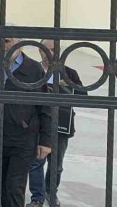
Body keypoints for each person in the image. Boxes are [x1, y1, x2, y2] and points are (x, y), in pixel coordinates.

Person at [0, 36, 53, 207]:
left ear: (19, 43)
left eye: (7, 40)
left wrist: (46, 140)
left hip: (23, 139)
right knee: (2, 185)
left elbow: (45, 106)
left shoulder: (34, 69)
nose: (2, 44)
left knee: (14, 187)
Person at [26, 39, 86, 207]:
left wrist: (70, 85)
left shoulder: (69, 72)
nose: (50, 53)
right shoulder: (32, 69)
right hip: (38, 124)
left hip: (61, 124)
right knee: (36, 162)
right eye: (47, 49)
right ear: (40, 51)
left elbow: (84, 97)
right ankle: (37, 197)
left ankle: (51, 192)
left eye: (54, 49)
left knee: (56, 165)